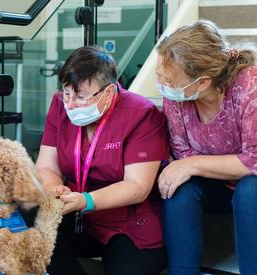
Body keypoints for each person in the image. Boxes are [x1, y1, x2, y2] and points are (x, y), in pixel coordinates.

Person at [36, 46, 169, 275]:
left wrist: (85, 201)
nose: (70, 104)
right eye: (66, 93)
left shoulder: (141, 114)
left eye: (80, 96)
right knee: (28, 217)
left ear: (108, 93)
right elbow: (47, 166)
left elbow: (137, 187)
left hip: (129, 226)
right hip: (78, 216)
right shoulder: (60, 105)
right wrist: (55, 191)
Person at [156, 20, 257, 275]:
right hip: (214, 185)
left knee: (250, 190)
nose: (164, 86)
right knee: (177, 187)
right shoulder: (176, 98)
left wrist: (192, 164)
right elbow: (182, 152)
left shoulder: (249, 87)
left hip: (249, 185)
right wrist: (188, 165)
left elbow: (253, 160)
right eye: (161, 78)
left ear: (202, 82)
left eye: (169, 80)